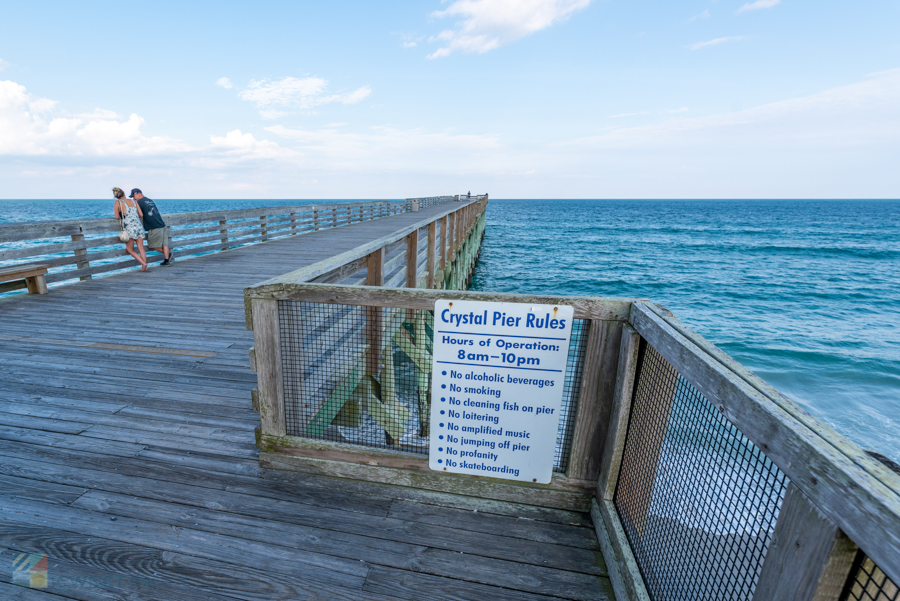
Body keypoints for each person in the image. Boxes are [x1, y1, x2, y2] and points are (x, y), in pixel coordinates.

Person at [130, 188, 173, 265]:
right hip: (162, 224)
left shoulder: (139, 202)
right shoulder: (149, 200)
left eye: (134, 196)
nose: (133, 199)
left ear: (138, 194)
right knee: (164, 244)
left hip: (154, 226)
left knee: (152, 245)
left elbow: (137, 213)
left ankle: (167, 255)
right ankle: (167, 261)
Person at [112, 187, 150, 272]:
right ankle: (145, 268)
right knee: (141, 247)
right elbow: (141, 215)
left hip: (129, 228)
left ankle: (143, 264)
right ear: (124, 194)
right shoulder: (134, 201)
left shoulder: (117, 202)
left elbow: (116, 217)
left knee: (130, 250)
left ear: (116, 196)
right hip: (139, 227)